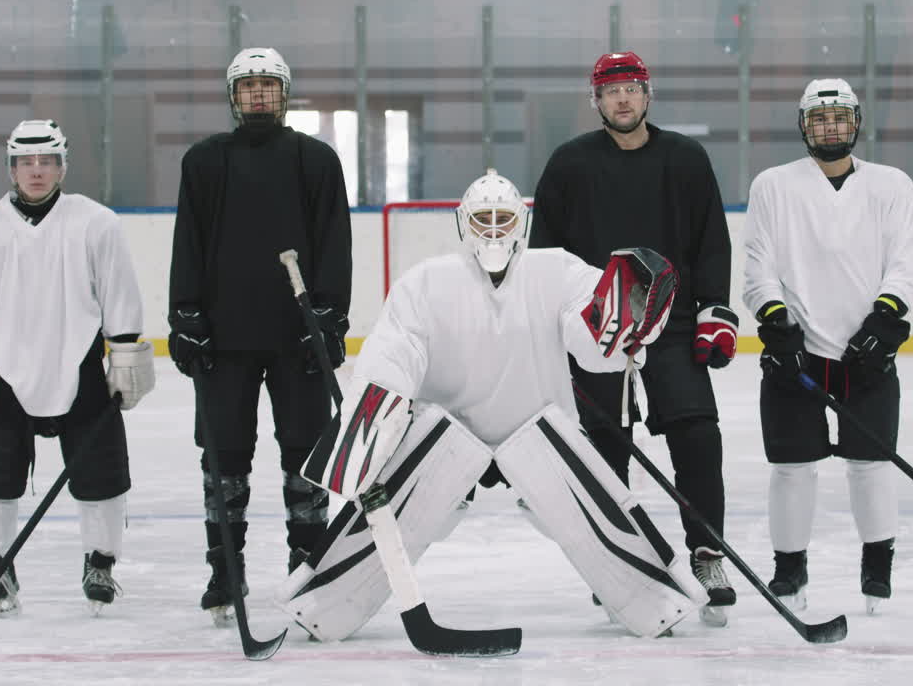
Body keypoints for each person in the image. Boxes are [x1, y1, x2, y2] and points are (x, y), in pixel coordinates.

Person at [280, 168, 697, 641]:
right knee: (390, 510)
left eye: (503, 217)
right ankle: (322, 607)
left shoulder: (557, 270)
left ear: (521, 221)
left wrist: (633, 321)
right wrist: (376, 410)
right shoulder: (426, 283)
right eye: (483, 219)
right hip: (446, 436)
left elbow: (594, 343)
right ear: (463, 224)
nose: (493, 229)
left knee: (595, 506)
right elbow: (398, 350)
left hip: (541, 431)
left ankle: (657, 602)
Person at [529, 51, 740, 619]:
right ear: (595, 100)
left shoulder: (686, 159)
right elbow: (543, 254)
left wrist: (715, 311)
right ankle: (616, 558)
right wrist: (554, 324)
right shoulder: (569, 164)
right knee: (604, 450)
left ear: (648, 96)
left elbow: (712, 240)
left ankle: (705, 551)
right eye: (611, 90)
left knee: (697, 435)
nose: (622, 98)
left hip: (670, 328)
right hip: (597, 332)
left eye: (632, 88)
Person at [168, 46, 352, 625]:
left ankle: (308, 558)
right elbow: (188, 243)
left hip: (297, 337)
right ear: (233, 96)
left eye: (268, 86)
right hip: (223, 339)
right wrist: (186, 316)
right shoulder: (204, 162)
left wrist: (329, 315)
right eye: (247, 87)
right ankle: (226, 567)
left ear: (284, 93)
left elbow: (334, 242)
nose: (258, 95)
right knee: (223, 455)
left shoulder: (315, 159)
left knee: (305, 451)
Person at [0, 118, 153, 617]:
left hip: (79, 363)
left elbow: (118, 293)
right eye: (25, 162)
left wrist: (123, 355)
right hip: (6, 371)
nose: (36, 171)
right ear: (11, 168)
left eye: (46, 162)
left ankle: (99, 562)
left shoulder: (96, 222)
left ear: (62, 167)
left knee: (101, 472)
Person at [741, 77, 913, 614]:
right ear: (804, 125)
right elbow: (757, 265)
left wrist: (884, 322)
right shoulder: (773, 185)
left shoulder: (892, 186)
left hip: (865, 355)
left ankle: (876, 570)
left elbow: (905, 267)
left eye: (840, 118)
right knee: (791, 466)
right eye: (820, 119)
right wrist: (776, 323)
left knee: (871, 464)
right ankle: (790, 570)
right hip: (796, 354)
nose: (830, 127)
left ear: (856, 123)